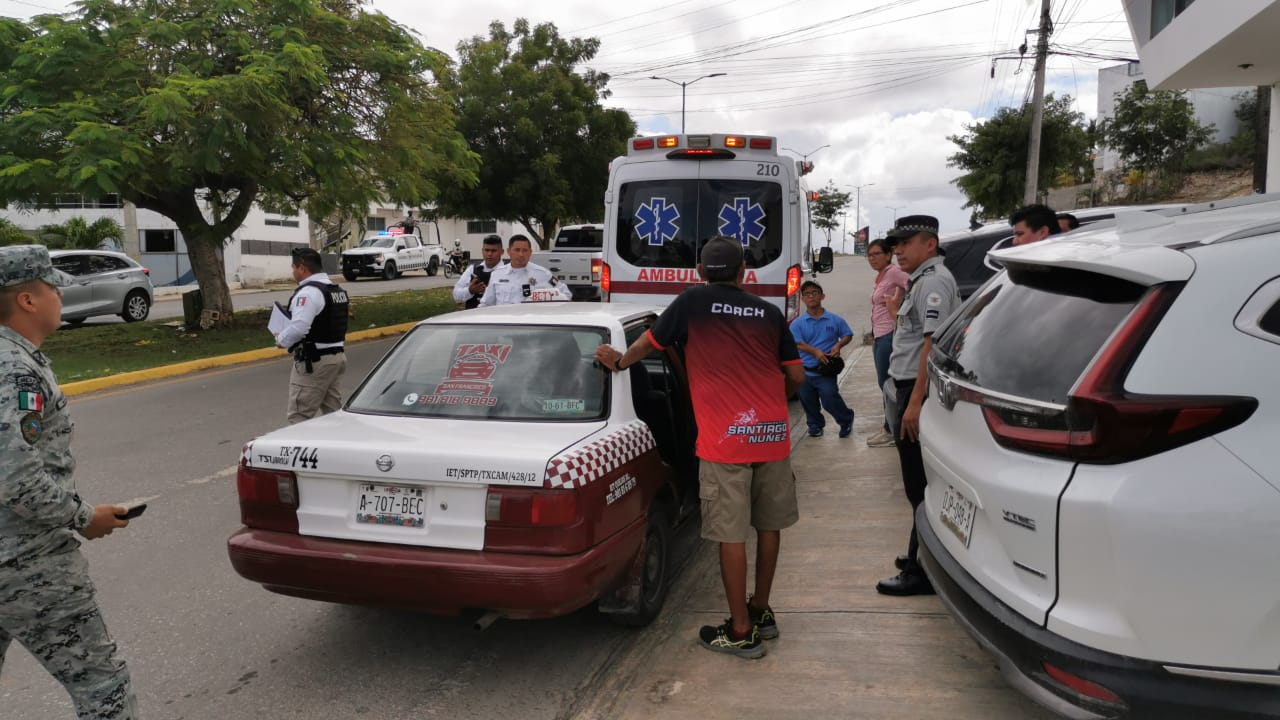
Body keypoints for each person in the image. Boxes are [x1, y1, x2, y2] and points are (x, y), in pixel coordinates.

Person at [594, 236, 805, 660]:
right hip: (772, 437)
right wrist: (763, 398)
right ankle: (761, 612)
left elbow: (647, 345)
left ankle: (741, 631)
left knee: (730, 535)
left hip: (726, 442)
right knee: (768, 527)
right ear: (744, 271)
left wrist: (618, 362)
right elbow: (797, 377)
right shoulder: (767, 312)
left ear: (701, 273)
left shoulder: (691, 303)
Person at [0, 245, 138, 718]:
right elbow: (15, 478)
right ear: (27, 300)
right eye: (52, 286)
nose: (61, 294)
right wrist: (84, 517)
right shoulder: (15, 369)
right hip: (26, 563)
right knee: (105, 690)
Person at [879, 215, 960, 597]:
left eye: (906, 243)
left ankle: (921, 571)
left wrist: (914, 403)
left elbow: (931, 347)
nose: (898, 250)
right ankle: (919, 552)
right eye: (896, 243)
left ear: (930, 244)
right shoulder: (920, 281)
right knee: (916, 484)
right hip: (910, 386)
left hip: (918, 389)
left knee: (919, 487)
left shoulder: (933, 283)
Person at [275, 247, 349, 424]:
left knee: (299, 418)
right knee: (334, 416)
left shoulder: (309, 293)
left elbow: (299, 328)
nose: (292, 272)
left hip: (314, 362)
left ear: (302, 268)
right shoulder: (335, 290)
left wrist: (280, 339)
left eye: (293, 267)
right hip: (336, 358)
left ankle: (301, 452)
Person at [790, 280, 855, 439]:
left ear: (822, 296)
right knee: (808, 401)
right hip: (805, 371)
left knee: (829, 399)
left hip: (826, 371)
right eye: (807, 294)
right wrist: (815, 351)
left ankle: (846, 419)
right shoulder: (797, 323)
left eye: (814, 293)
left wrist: (839, 345)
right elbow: (796, 343)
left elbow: (848, 334)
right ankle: (815, 425)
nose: (811, 296)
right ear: (803, 299)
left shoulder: (835, 319)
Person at [866, 239, 908, 448]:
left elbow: (914, 285)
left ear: (887, 255)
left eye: (876, 254)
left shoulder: (893, 272)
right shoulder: (881, 276)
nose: (872, 258)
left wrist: (901, 304)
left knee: (887, 384)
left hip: (890, 335)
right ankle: (890, 426)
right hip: (880, 336)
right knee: (884, 383)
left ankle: (890, 429)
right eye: (869, 255)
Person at [479, 235, 571, 306]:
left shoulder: (543, 274)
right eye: (517, 250)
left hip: (532, 325)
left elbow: (566, 294)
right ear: (509, 251)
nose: (521, 254)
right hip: (505, 325)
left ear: (530, 252)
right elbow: (486, 304)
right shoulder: (497, 274)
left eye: (525, 250)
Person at [452, 234, 506, 309]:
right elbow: (456, 296)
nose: (489, 254)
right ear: (482, 251)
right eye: (487, 250)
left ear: (502, 252)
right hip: (473, 318)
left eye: (493, 251)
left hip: (497, 318)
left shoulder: (508, 271)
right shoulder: (472, 270)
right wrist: (470, 291)